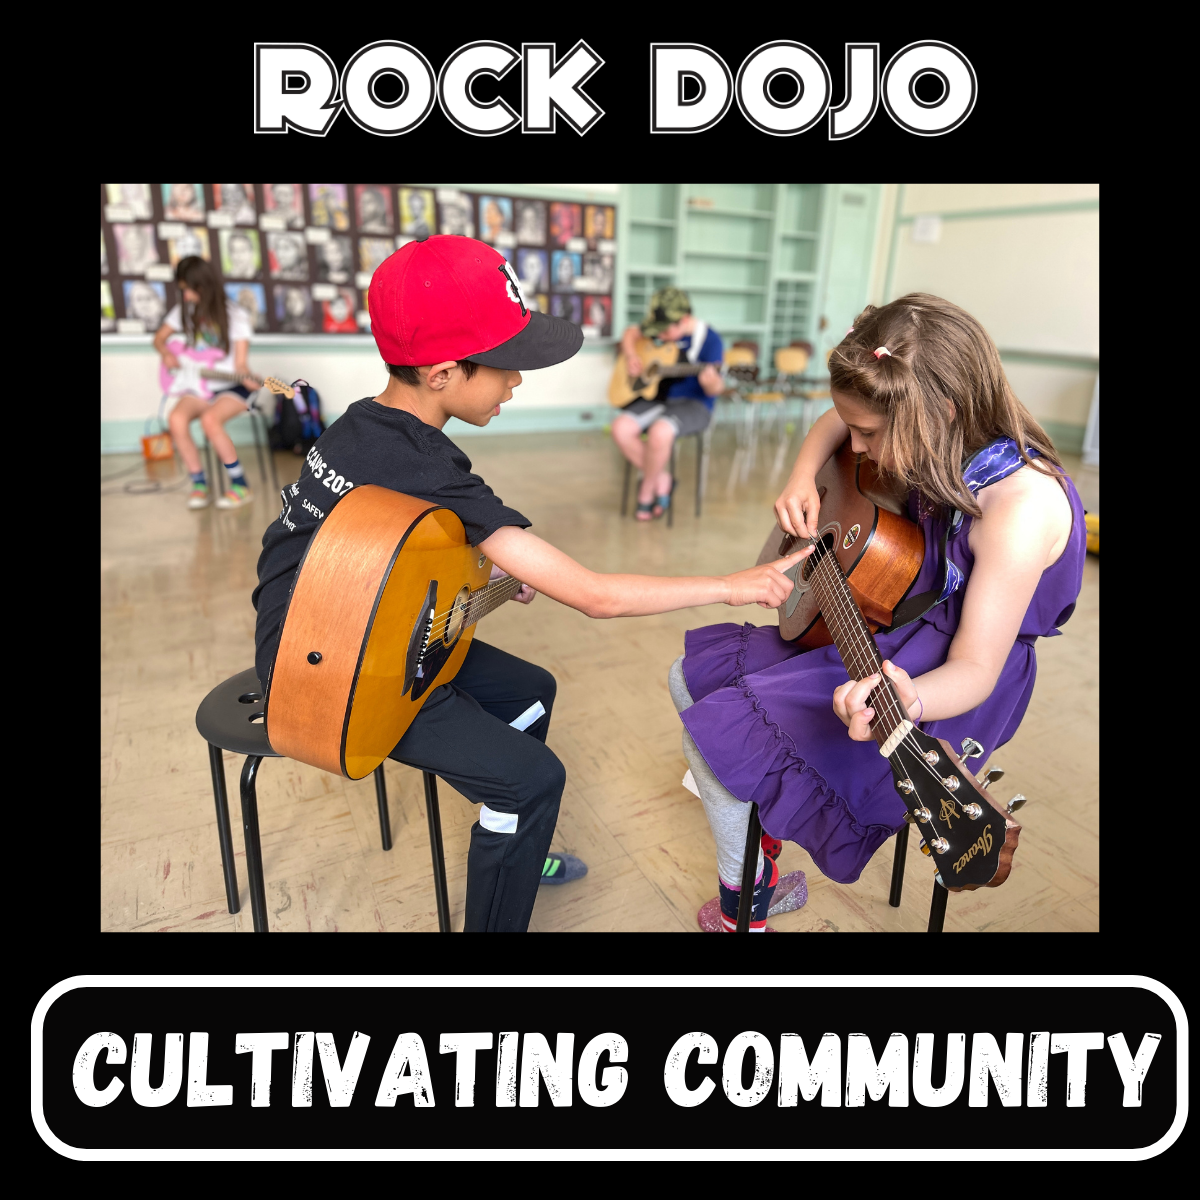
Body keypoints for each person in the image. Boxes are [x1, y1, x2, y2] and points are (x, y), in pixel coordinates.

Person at [252, 237, 808, 933]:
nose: (517, 383)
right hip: (334, 679)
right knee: (536, 778)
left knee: (531, 692)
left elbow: (372, 545)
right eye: (507, 367)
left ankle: (511, 831)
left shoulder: (362, 428)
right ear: (444, 372)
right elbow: (594, 595)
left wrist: (472, 572)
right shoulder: (429, 466)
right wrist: (733, 585)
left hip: (331, 628)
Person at [669, 294, 1087, 931]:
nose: (857, 447)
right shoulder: (928, 423)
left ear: (936, 411)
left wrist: (908, 697)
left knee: (722, 736)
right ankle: (762, 855)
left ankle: (748, 894)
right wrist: (803, 476)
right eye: (854, 430)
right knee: (686, 679)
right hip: (896, 617)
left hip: (947, 680)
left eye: (869, 434)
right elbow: (837, 422)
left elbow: (975, 667)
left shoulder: (1021, 508)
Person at [155, 255, 261, 511]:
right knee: (175, 420)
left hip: (229, 386)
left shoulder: (235, 315)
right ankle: (199, 483)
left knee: (210, 421)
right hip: (199, 384)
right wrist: (167, 353)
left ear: (202, 285)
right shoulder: (183, 311)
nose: (187, 296)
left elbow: (241, 364)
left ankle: (240, 484)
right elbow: (159, 339)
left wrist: (247, 376)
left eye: (188, 290)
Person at [611, 288, 724, 520]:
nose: (658, 336)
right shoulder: (660, 327)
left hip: (696, 405)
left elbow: (717, 389)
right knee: (620, 427)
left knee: (660, 432)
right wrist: (632, 355)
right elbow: (630, 333)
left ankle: (646, 492)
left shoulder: (710, 340)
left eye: (663, 331)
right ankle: (663, 479)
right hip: (660, 399)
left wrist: (710, 383)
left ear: (682, 320)